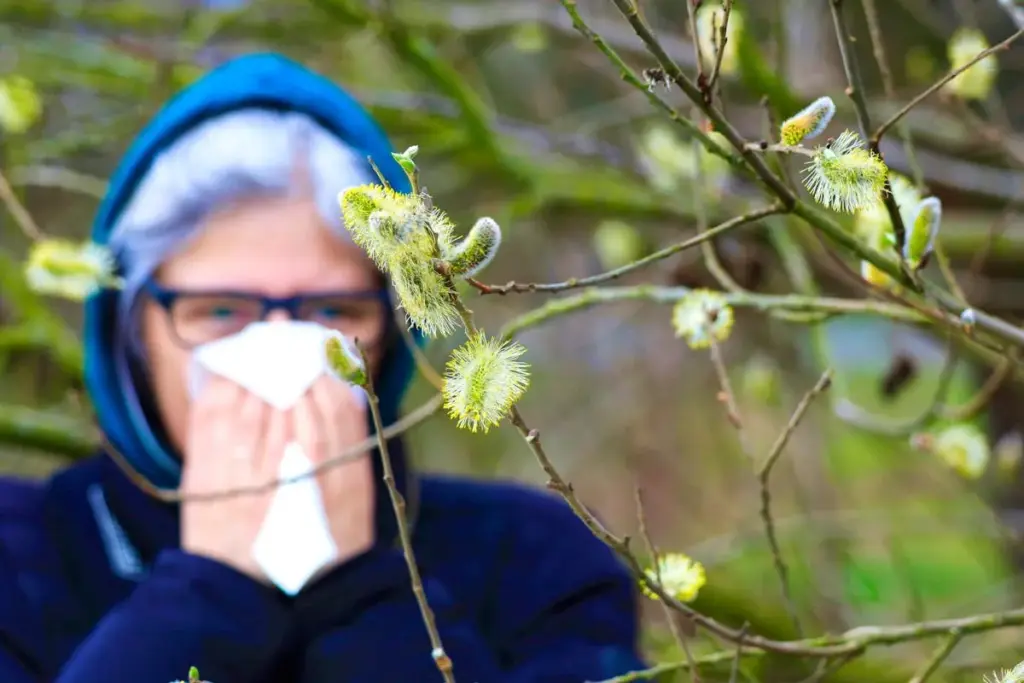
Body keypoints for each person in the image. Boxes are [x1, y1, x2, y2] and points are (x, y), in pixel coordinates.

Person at [0, 53, 645, 682]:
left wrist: (360, 592)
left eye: (332, 309)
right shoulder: (19, 561)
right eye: (220, 310)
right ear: (133, 328)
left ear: (393, 327)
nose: (279, 346)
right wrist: (202, 593)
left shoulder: (532, 563)